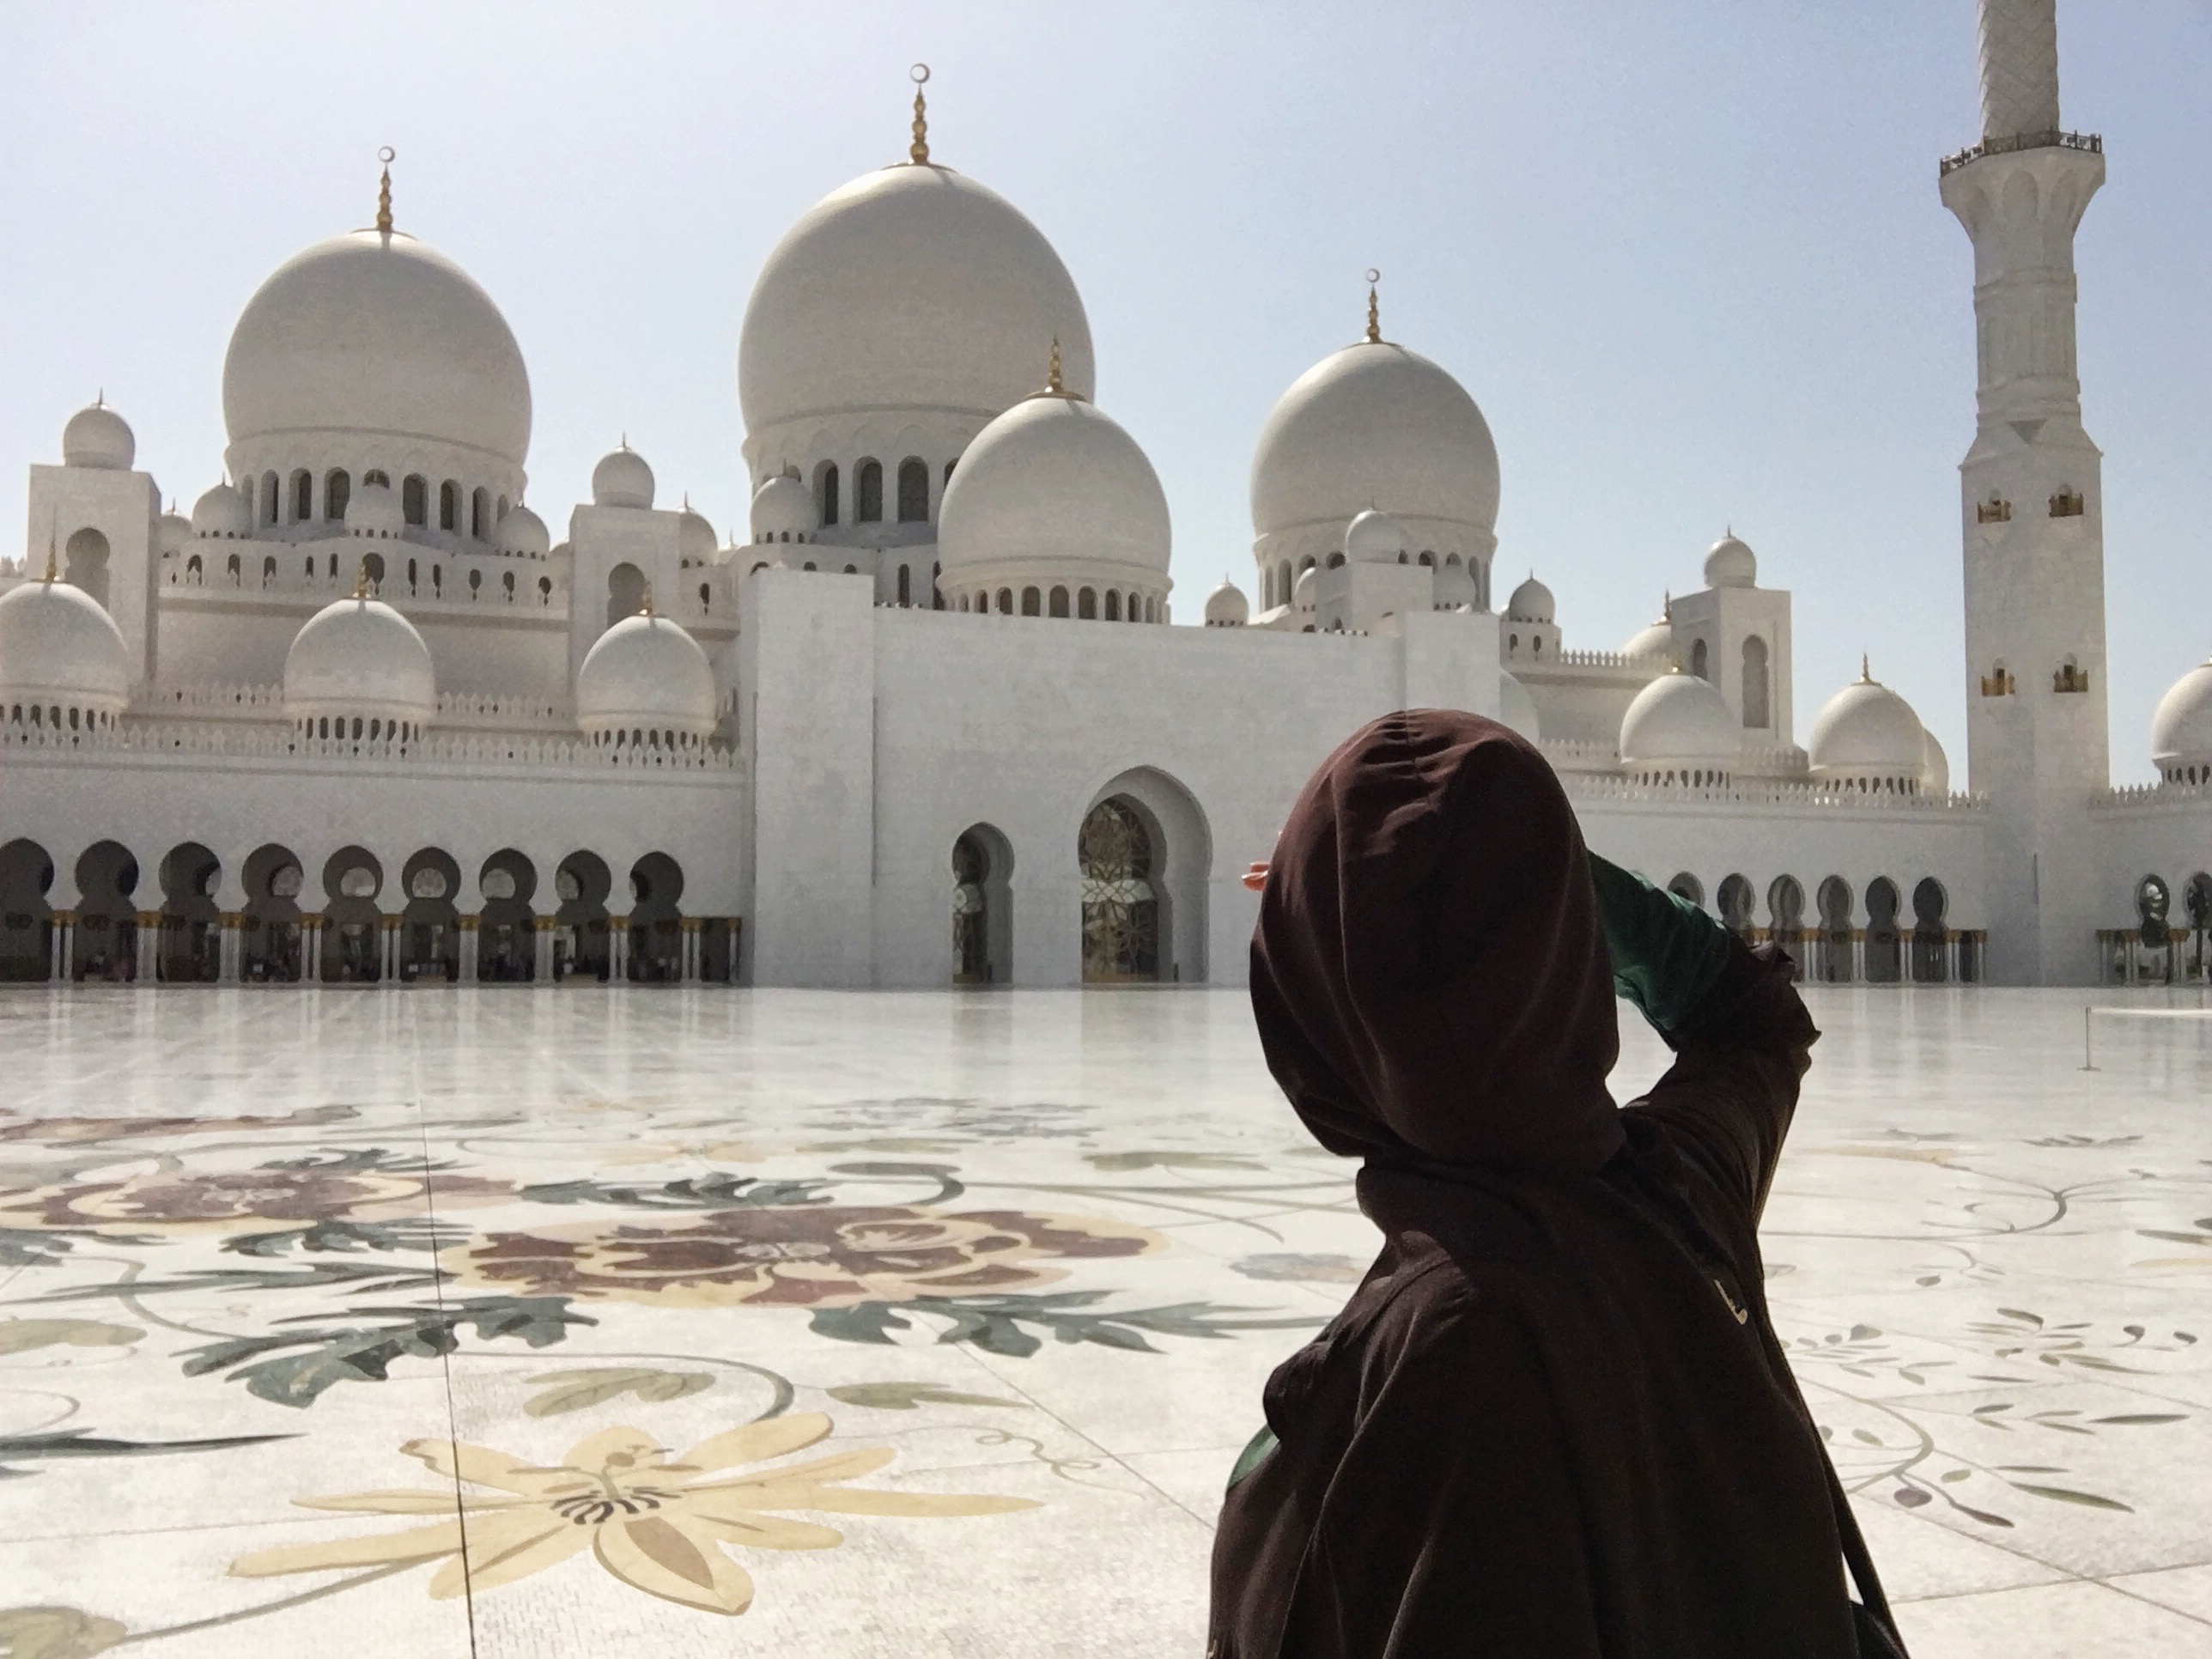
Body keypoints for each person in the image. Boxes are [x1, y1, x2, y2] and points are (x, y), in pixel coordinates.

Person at [1209, 710, 1905, 1658]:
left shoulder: (1427, 1365)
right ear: (1568, 954)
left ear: (1311, 1005)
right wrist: (1537, 880)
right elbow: (1753, 1021)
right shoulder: (1680, 1193)